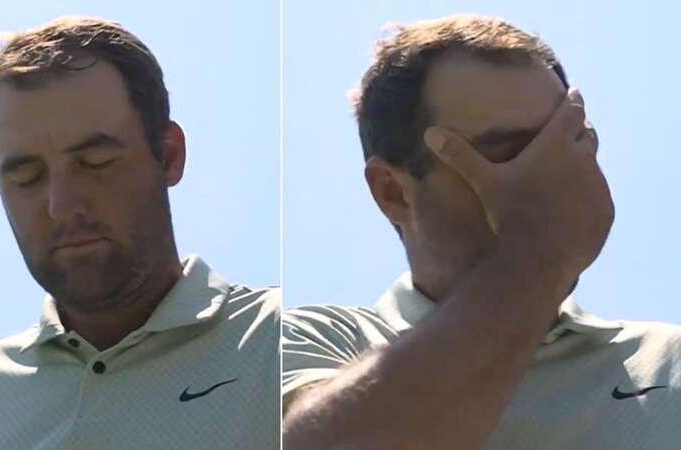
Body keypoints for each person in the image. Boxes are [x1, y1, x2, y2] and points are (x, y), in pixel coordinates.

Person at [282, 15, 681, 450]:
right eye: (510, 153)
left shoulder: (670, 361)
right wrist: (538, 255)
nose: (554, 179)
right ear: (394, 192)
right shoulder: (303, 343)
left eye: (567, 146)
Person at [0, 16, 279, 450]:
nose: (62, 206)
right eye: (26, 177)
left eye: (96, 161)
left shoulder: (282, 339)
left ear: (169, 156)